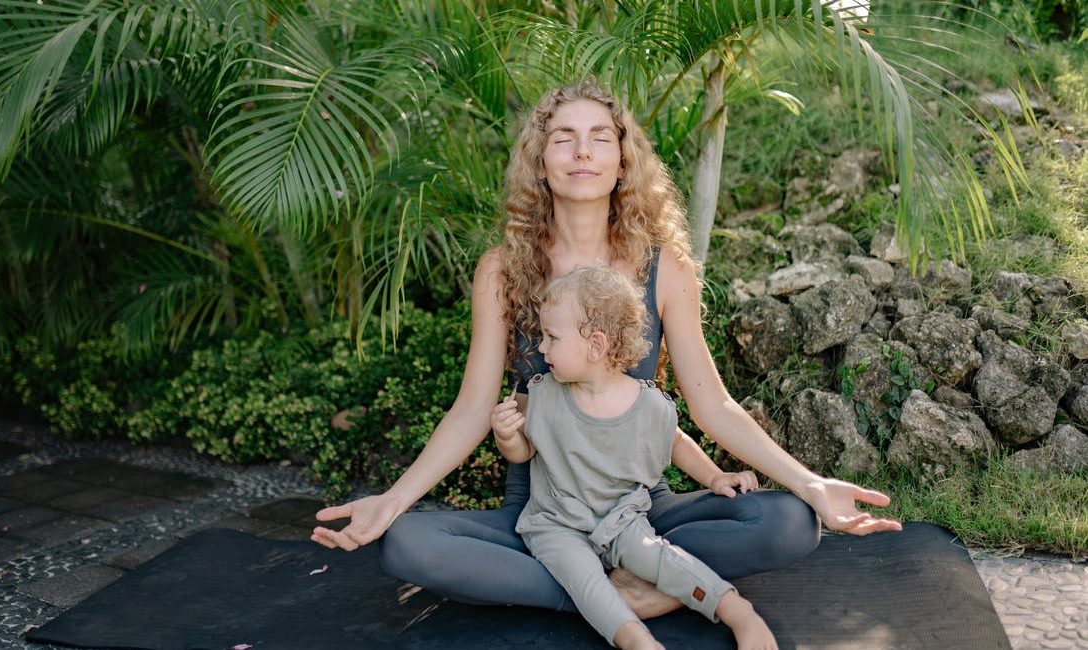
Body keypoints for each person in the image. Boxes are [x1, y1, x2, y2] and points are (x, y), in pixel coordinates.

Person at [312, 80, 901, 619]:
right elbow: (471, 411)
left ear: (623, 163)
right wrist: (392, 501)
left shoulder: (665, 268)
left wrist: (811, 484)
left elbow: (713, 406)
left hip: (644, 506)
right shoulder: (501, 269)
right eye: (563, 139)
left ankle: (598, 584)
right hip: (543, 513)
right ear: (540, 163)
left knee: (791, 523)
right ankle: (639, 591)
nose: (582, 152)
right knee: (409, 545)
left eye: (600, 138)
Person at [492, 264, 776, 650]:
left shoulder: (647, 404)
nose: (541, 348)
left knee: (662, 559)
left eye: (551, 337)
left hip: (622, 517)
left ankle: (737, 611)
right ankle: (637, 641)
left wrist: (714, 477)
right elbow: (524, 451)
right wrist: (507, 436)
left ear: (596, 345)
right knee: (584, 578)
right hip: (556, 524)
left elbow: (675, 442)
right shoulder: (542, 394)